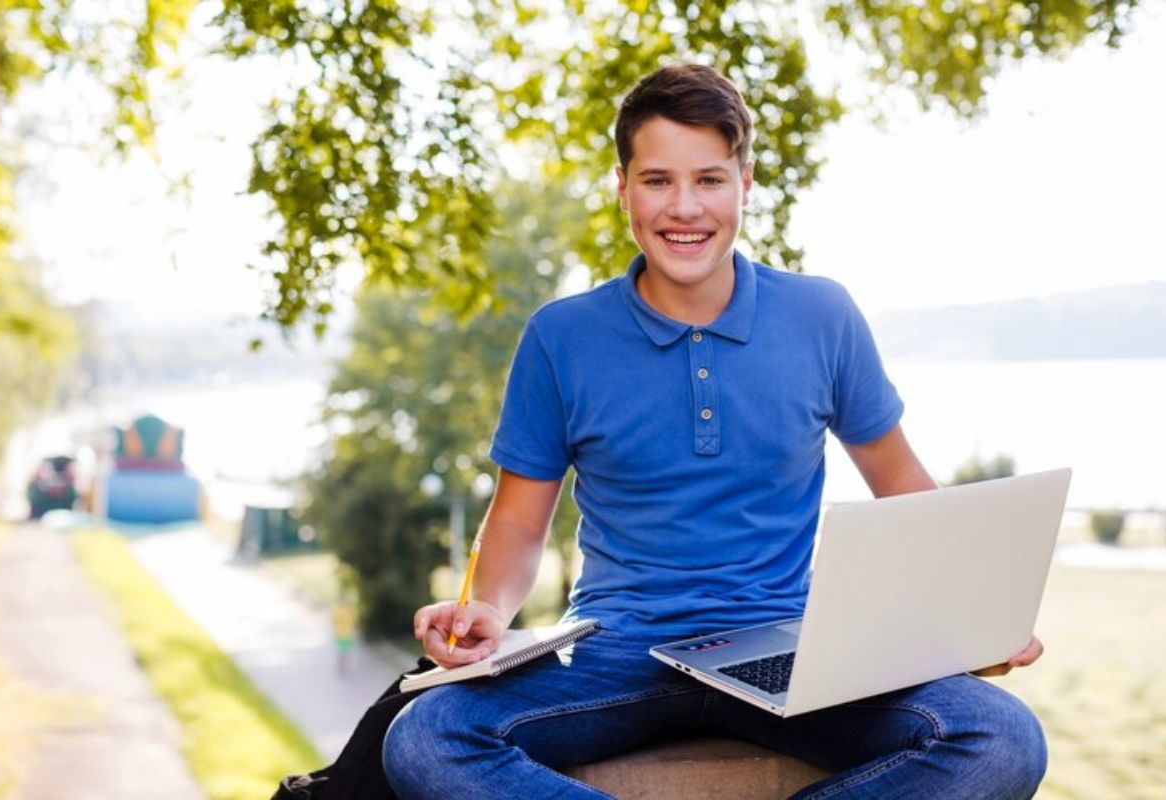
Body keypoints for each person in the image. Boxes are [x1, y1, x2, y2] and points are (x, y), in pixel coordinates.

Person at [382, 64, 1047, 799]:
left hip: (795, 651)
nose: (685, 207)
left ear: (745, 182)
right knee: (426, 741)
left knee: (1000, 739)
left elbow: (904, 489)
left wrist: (972, 617)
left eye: (709, 179)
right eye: (658, 180)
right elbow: (515, 525)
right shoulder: (560, 337)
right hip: (617, 651)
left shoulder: (822, 316)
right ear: (622, 186)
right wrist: (486, 610)